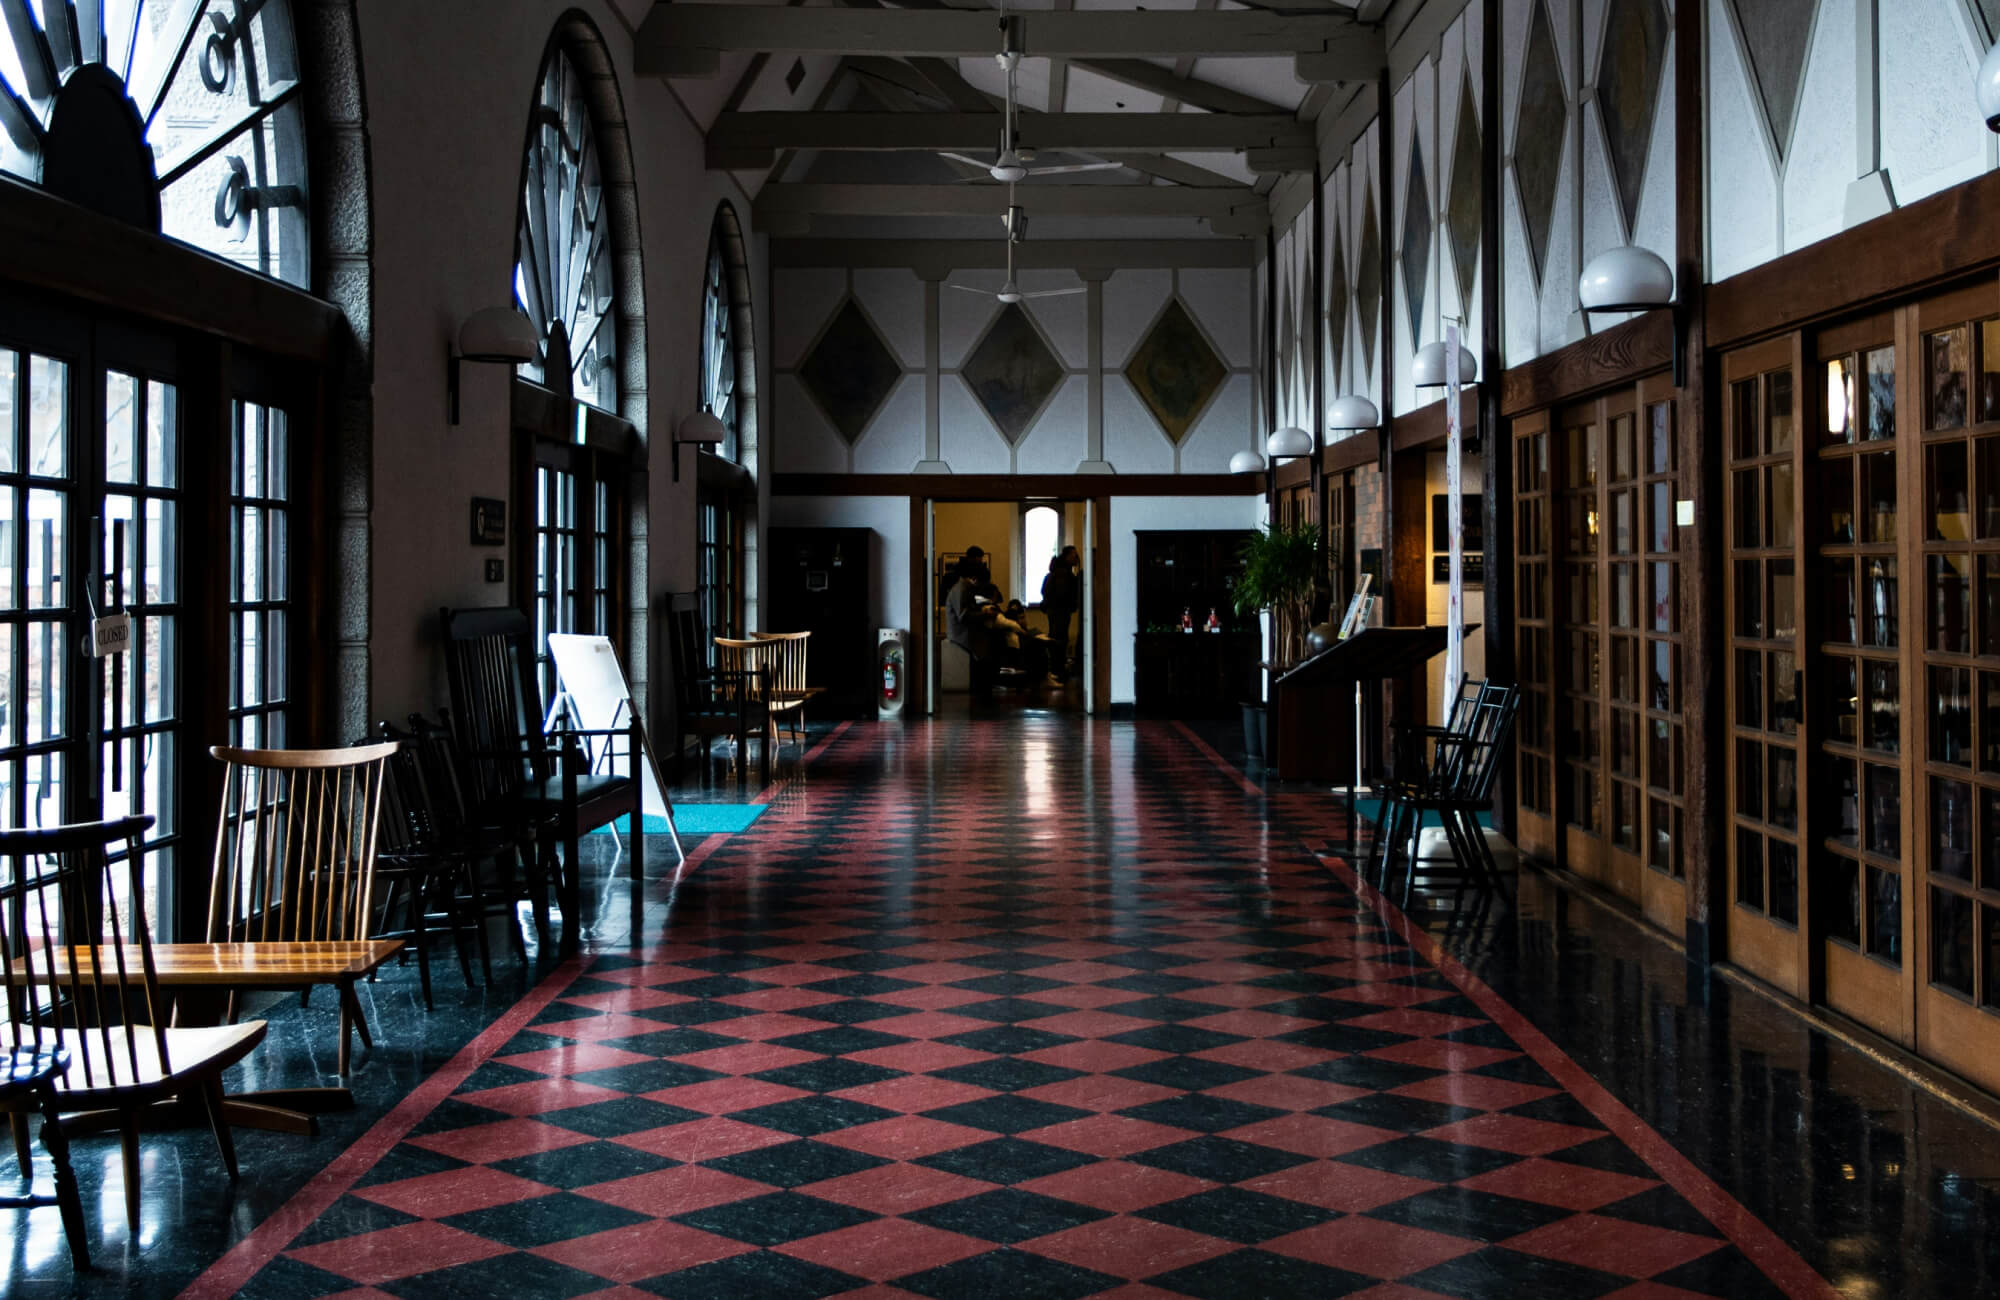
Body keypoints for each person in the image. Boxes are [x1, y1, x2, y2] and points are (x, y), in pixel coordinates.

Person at [945, 547, 996, 697]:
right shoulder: (961, 589)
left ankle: (984, 685)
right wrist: (984, 613)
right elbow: (964, 616)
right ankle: (984, 687)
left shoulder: (962, 588)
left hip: (963, 629)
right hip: (961, 632)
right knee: (988, 645)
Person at [1040, 546, 1080, 682]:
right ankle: (1058, 671)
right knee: (1060, 639)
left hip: (1054, 611)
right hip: (1060, 611)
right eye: (1074, 555)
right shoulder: (1064, 574)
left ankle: (1056, 669)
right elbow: (1063, 594)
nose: (1076, 558)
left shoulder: (1055, 572)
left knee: (1056, 637)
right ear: (1068, 556)